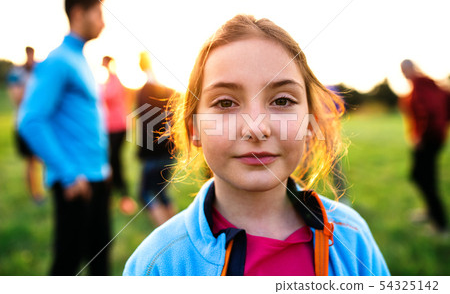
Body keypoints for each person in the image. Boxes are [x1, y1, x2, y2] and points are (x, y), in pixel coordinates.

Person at [123, 15, 389, 276]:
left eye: (282, 101)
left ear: (310, 124)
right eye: (225, 103)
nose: (256, 128)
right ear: (194, 129)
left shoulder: (352, 237)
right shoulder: (157, 266)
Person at [18, 0, 111, 275]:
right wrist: (68, 173)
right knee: (66, 266)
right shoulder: (58, 60)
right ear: (79, 12)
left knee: (100, 264)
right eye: (98, 13)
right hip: (76, 184)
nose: (103, 21)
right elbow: (31, 121)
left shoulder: (81, 59)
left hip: (96, 177)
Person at [399, 59, 448, 233]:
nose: (403, 73)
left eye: (405, 69)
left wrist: (421, 134)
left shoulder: (421, 85)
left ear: (412, 68)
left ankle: (440, 225)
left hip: (429, 139)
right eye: (402, 70)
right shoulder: (429, 85)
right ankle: (430, 212)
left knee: (426, 179)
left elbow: (430, 111)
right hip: (435, 137)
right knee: (420, 176)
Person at [136, 52, 176, 226]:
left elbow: (145, 124)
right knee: (162, 192)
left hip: (153, 152)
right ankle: (175, 230)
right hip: (171, 149)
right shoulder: (170, 91)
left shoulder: (144, 92)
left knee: (146, 193)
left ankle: (164, 232)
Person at [7, 46, 45, 203]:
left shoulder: (39, 70)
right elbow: (17, 99)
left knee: (44, 159)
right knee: (30, 162)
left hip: (42, 124)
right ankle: (35, 195)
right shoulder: (17, 74)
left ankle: (44, 190)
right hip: (23, 124)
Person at [100, 56, 137, 215]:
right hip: (110, 126)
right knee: (112, 160)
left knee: (114, 160)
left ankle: (122, 194)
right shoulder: (108, 81)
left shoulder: (114, 80)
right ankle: (117, 193)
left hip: (118, 126)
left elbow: (108, 98)